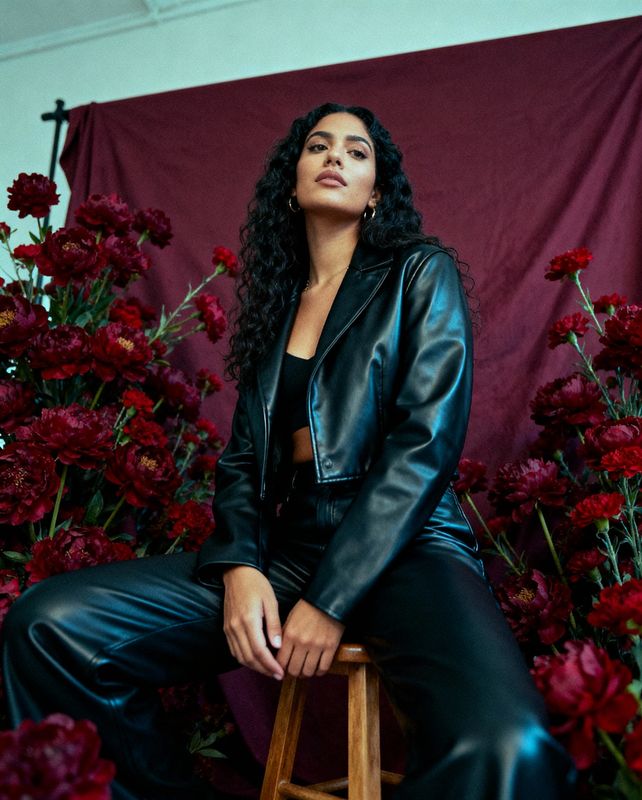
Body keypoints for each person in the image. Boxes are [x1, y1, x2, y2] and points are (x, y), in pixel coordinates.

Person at [3, 103, 576, 800]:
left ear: (376, 193)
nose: (336, 157)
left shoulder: (418, 273)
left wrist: (331, 599)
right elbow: (243, 464)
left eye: (357, 152)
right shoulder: (278, 307)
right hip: (292, 546)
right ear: (292, 181)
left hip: (408, 542)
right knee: (49, 627)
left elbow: (424, 444)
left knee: (506, 741)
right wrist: (241, 564)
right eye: (318, 146)